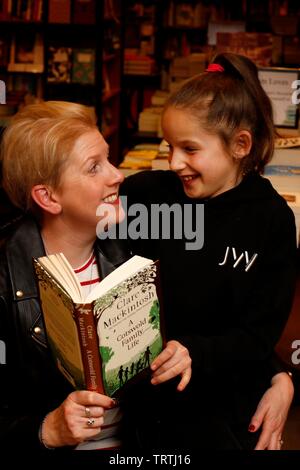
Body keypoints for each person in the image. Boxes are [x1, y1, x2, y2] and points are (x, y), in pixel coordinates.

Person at [120, 53, 297, 450]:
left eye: (190, 148)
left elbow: (258, 335)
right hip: (147, 399)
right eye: (169, 147)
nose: (175, 161)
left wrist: (195, 351)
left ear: (240, 145)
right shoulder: (150, 195)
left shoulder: (270, 221)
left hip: (223, 402)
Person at [0, 101, 192, 451]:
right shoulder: (4, 278)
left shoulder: (134, 242)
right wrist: (46, 430)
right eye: (94, 167)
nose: (117, 175)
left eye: (108, 158)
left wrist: (274, 373)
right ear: (48, 196)